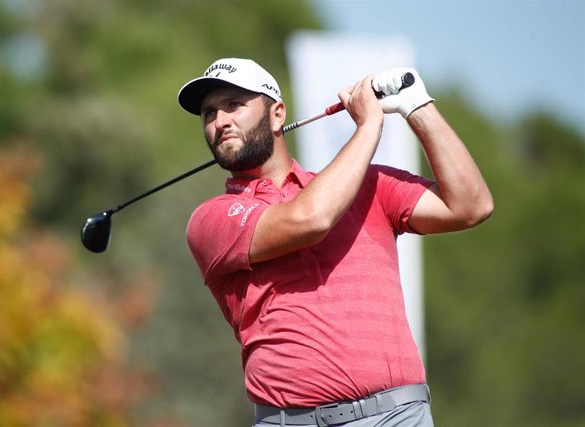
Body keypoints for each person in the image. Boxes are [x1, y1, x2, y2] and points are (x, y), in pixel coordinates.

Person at [177, 58, 493, 427]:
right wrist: (369, 126)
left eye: (234, 105)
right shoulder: (212, 218)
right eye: (209, 113)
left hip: (395, 417)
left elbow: (472, 206)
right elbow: (311, 219)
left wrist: (418, 107)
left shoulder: (370, 185)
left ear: (277, 115)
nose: (220, 121)